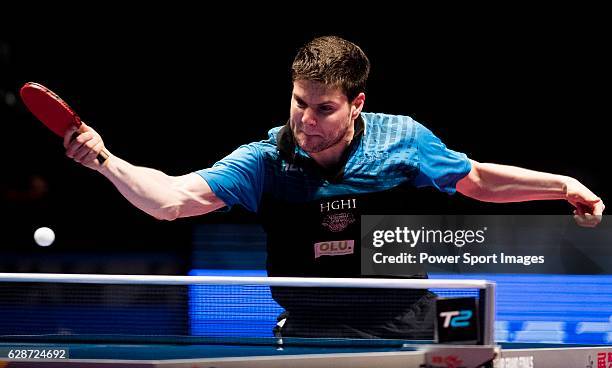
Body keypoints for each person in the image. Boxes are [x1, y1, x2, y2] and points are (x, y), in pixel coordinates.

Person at [63, 36, 604, 339]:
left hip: (403, 319)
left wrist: (562, 186)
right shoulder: (266, 159)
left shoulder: (403, 139)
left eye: (324, 109)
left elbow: (479, 181)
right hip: (310, 326)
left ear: (357, 104)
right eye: (300, 103)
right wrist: (107, 161)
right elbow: (172, 201)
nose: (307, 120)